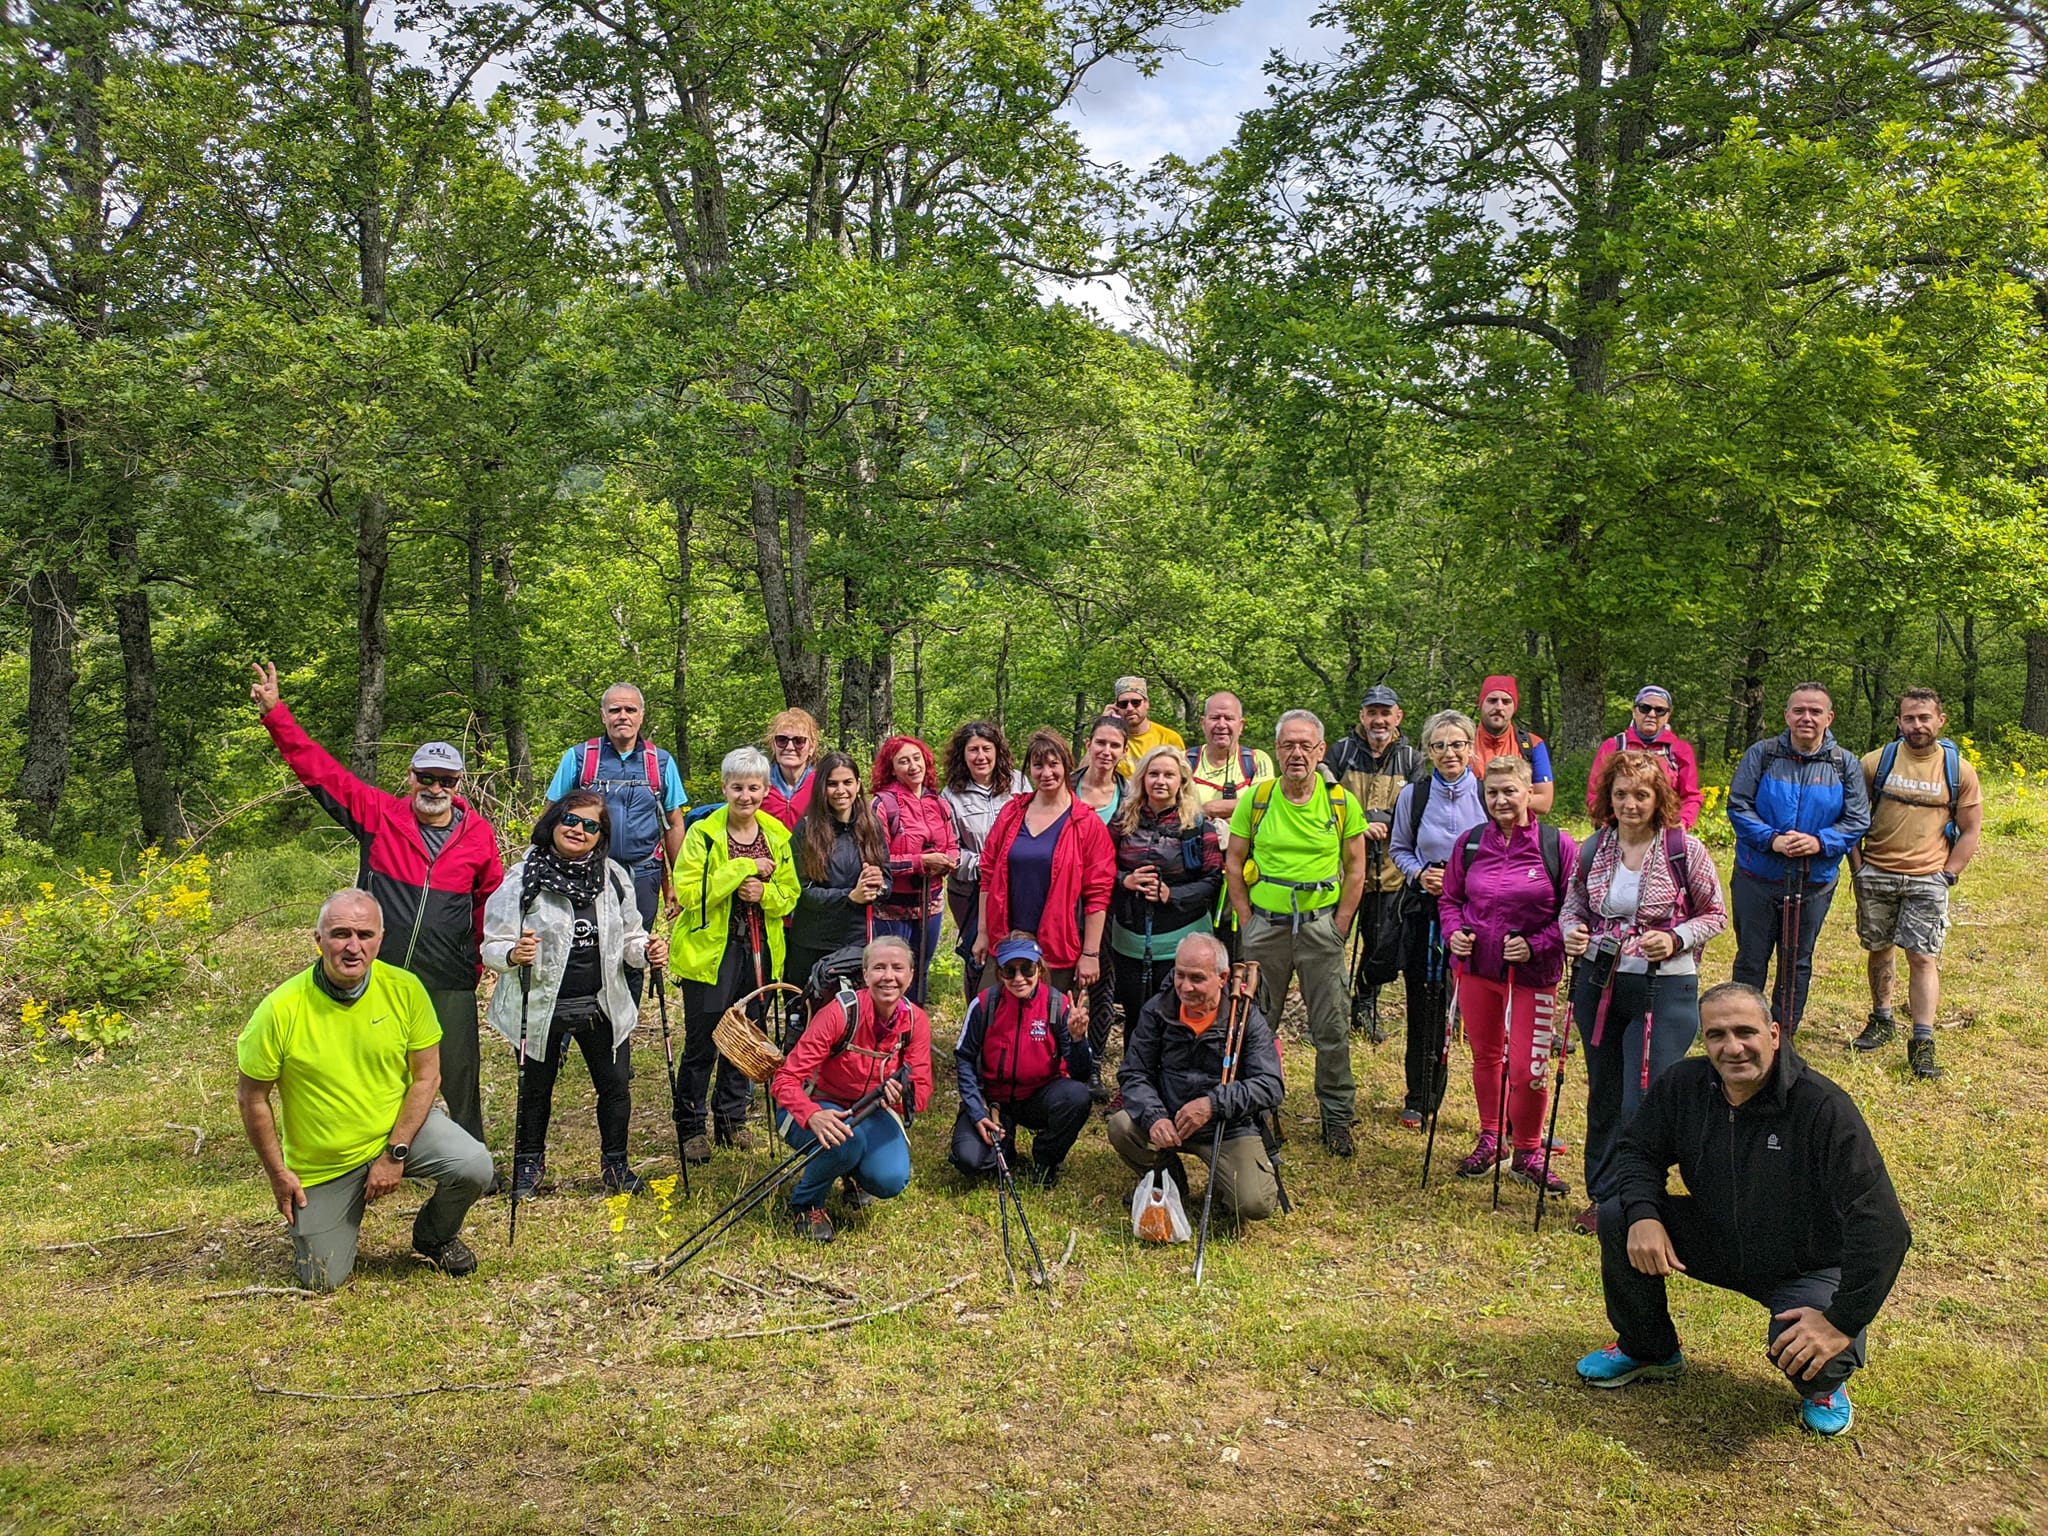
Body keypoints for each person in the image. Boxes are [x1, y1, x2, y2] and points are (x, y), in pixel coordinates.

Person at [1575, 983, 1912, 1438]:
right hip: (1718, 1238)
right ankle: (1650, 1349)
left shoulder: (1822, 1108)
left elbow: (1883, 1227)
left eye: (1745, 1032)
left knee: (1811, 1359)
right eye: (1717, 1035)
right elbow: (1638, 1149)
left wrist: (1840, 1322)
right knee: (1619, 1216)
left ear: (1774, 1034)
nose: (1732, 1048)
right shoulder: (1683, 1085)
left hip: (1805, 1264)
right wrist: (1645, 1215)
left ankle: (1826, 1388)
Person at [250, 662, 503, 1152]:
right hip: (379, 968)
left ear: (459, 784)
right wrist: (276, 714)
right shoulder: (378, 815)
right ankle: (377, 1145)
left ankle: (471, 1152)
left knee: (457, 1066)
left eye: (446, 781)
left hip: (447, 973)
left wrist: (483, 958)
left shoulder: (479, 835)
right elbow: (318, 771)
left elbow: (489, 902)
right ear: (410, 777)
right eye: (426, 778)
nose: (435, 789)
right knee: (375, 1061)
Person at [235, 889, 493, 1289]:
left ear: (380, 939)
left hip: (397, 1130)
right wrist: (277, 1173)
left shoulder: (405, 989)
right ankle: (330, 1216)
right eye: (340, 934)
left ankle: (434, 1235)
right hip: (325, 1160)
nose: (353, 947)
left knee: (475, 1165)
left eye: (364, 934)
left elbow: (427, 1078)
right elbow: (252, 1098)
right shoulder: (279, 1009)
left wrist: (395, 1153)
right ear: (318, 940)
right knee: (322, 1280)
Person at [1560, 751, 1727, 1234]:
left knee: (1645, 1098)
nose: (1630, 804)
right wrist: (1572, 931)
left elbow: (1715, 914)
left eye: (1641, 795)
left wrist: (1675, 938)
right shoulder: (1593, 848)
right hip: (1599, 982)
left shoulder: (1684, 850)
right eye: (1621, 794)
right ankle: (1604, 1197)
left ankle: (1642, 1201)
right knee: (1605, 1095)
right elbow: (1573, 906)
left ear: (1659, 799)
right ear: (1608, 798)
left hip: (1664, 988)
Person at [483, 792, 668, 1198]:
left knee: (615, 1085)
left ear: (601, 835)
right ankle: (529, 1164)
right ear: (553, 820)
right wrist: (513, 953)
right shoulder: (522, 878)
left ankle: (616, 1165)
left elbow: (631, 938)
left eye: (590, 825)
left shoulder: (614, 877)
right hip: (541, 1004)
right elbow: (492, 945)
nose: (578, 830)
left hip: (602, 1000)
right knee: (535, 1087)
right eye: (570, 819)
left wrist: (646, 950)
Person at [1225, 709, 1367, 1155]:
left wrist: (1339, 925)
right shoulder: (1258, 798)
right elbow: (1233, 860)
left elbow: (1356, 868)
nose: (1297, 753)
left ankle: (1337, 1118)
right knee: (1255, 1023)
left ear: (1321, 750)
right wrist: (1246, 918)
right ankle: (1255, 1110)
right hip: (1265, 927)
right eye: (1288, 745)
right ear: (1277, 749)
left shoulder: (1340, 801)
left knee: (1331, 1026)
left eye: (1306, 745)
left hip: (1319, 928)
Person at [1439, 756, 1578, 1192]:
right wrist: (1454, 933)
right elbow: (1450, 900)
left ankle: (1529, 1150)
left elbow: (1574, 913)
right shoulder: (1471, 843)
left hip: (1533, 975)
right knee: (1486, 1057)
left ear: (1528, 793)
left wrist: (1536, 945)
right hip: (1477, 969)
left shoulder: (1557, 846)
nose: (1500, 800)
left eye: (1509, 791)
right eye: (1492, 792)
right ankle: (1491, 1136)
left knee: (1527, 1069)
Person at [672, 747, 801, 1161]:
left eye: (754, 788)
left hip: (760, 950)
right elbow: (690, 893)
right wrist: (742, 869)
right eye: (737, 787)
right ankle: (691, 1126)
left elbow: (790, 896)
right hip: (710, 952)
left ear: (765, 789)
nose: (746, 796)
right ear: (724, 788)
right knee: (704, 1040)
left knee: (744, 1037)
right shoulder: (703, 835)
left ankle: (732, 1120)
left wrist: (766, 893)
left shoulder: (777, 835)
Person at [1849, 688, 1983, 1079]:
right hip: (1877, 873)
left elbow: (1972, 828)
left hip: (1929, 876)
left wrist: (1949, 873)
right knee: (1879, 948)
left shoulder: (1958, 770)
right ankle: (1882, 1019)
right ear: (1899, 722)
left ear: (1941, 720)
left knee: (1922, 957)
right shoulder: (1875, 763)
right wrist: (1858, 866)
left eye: (1925, 717)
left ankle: (1922, 1042)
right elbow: (1852, 817)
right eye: (1909, 718)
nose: (1917, 725)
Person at [1107, 933, 1283, 1224]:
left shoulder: (1245, 1016)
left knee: (1254, 1203)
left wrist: (1213, 1104)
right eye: (1180, 975)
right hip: (1171, 1119)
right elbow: (1134, 1073)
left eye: (1197, 978)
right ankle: (1170, 1179)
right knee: (1121, 1125)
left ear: (1223, 977)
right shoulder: (1157, 1009)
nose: (1185, 987)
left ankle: (1226, 1186)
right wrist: (1155, 1118)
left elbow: (1270, 1085)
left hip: (1227, 1126)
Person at [1728, 683, 1871, 1034]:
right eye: (1799, 711)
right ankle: (1742, 1027)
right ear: (1787, 715)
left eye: (1815, 711)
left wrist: (1819, 842)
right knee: (1750, 958)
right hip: (1756, 878)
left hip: (1813, 883)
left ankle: (1783, 1033)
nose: (1807, 718)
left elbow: (1857, 819)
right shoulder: (1761, 755)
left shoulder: (1844, 764)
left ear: (1829, 717)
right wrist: (1772, 840)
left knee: (1797, 961)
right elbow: (1739, 805)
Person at [770, 936, 934, 1242]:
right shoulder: (840, 1013)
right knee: (846, 1141)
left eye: (898, 968)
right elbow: (784, 1079)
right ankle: (806, 1203)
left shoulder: (915, 1021)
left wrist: (902, 1094)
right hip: (815, 1106)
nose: (889, 976)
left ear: (911, 975)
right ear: (866, 973)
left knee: (891, 1180)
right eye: (879, 968)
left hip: (869, 1110)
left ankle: (850, 1171)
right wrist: (812, 1116)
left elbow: (921, 1092)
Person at [543, 685, 691, 980]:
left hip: (643, 874)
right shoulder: (580, 758)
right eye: (615, 710)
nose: (622, 716)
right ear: (603, 715)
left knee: (635, 954)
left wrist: (680, 882)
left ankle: (626, 1025)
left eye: (630, 710)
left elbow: (674, 823)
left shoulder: (660, 762)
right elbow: (550, 815)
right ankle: (587, 1020)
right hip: (586, 871)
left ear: (641, 715)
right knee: (584, 950)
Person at [1389, 710, 1489, 1130]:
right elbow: (1399, 848)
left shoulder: (1488, 794)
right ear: (1428, 751)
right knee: (1424, 1001)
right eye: (1440, 745)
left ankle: (1496, 1107)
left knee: (1479, 1004)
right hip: (1426, 911)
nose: (1450, 753)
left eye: (1458, 744)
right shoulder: (1415, 795)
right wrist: (1418, 874)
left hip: (1478, 913)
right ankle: (1421, 1095)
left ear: (1470, 747)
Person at [975, 728, 1116, 999]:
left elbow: (1097, 894)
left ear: (1067, 765)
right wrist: (982, 933)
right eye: (1038, 765)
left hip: (1057, 946)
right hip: (1005, 939)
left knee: (1050, 1028)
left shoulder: (1086, 823)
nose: (1046, 773)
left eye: (1054, 764)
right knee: (993, 1019)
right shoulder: (1012, 813)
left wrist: (1090, 953)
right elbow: (988, 874)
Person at [950, 935, 1096, 1186]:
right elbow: (964, 1059)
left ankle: (1045, 1158)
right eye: (1009, 970)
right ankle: (1004, 1147)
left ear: (1039, 969)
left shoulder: (1058, 1005)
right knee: (969, 1161)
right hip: (994, 1101)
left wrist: (1077, 1039)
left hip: (1038, 1098)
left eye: (1026, 969)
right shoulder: (984, 1004)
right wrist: (977, 1111)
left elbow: (1081, 1074)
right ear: (1000, 974)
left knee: (1078, 1096)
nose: (1018, 978)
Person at [1324, 684, 1422, 1040]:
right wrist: (1359, 824)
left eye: (1386, 712)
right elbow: (1324, 799)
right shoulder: (1339, 752)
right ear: (1362, 716)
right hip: (1342, 868)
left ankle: (1364, 1003)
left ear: (1398, 717)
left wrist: (1389, 823)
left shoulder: (1413, 758)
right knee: (1333, 940)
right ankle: (1330, 1006)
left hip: (1391, 871)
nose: (1379, 720)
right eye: (1372, 713)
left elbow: (1419, 807)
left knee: (1382, 946)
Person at [1110, 746, 1224, 1041]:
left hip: (1180, 942)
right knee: (1135, 1015)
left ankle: (1172, 1081)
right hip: (1129, 939)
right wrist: (1126, 880)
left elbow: (1212, 880)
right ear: (1143, 778)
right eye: (1154, 773)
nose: (1161, 781)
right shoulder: (1122, 821)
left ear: (1181, 781)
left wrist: (1169, 893)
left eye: (1169, 775)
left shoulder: (1198, 827)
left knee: (1175, 1015)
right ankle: (1133, 1080)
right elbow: (1099, 869)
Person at [784, 749, 889, 1033]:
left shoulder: (871, 825)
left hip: (856, 942)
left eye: (847, 782)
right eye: (832, 783)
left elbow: (887, 879)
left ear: (858, 785)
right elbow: (803, 892)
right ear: (821, 788)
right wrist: (849, 897)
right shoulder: (806, 829)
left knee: (850, 1023)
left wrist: (878, 884)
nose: (841, 790)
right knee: (806, 1022)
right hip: (812, 943)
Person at [940, 721, 1029, 1007]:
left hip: (1017, 886)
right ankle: (976, 1018)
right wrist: (990, 864)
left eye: (986, 749)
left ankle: (1016, 1013)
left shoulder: (1019, 783)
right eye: (973, 750)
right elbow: (950, 850)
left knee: (1015, 949)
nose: (980, 756)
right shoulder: (951, 794)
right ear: (962, 755)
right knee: (977, 954)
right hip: (970, 890)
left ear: (997, 751)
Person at [869, 734, 959, 1006]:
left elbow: (952, 843)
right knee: (889, 974)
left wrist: (950, 860)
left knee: (919, 970)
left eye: (916, 758)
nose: (912, 766)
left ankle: (912, 1029)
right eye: (903, 761)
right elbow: (878, 861)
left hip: (930, 905)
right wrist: (921, 862)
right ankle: (884, 1032)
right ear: (892, 768)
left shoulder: (938, 802)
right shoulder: (882, 805)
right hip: (891, 909)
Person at [1585, 686, 1704, 828]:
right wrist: (1608, 823)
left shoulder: (1680, 750)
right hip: (1619, 829)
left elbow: (1690, 795)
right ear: (1634, 711)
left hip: (1665, 831)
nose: (1652, 714)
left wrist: (1682, 823)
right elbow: (1595, 792)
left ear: (1668, 715)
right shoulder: (1613, 746)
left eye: (1660, 710)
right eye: (1645, 708)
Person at [1470, 675, 1555, 816]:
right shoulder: (1462, 745)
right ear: (1481, 704)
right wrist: (1515, 796)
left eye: (1506, 701)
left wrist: (1493, 798)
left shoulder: (1532, 744)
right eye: (1492, 701)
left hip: (1518, 831)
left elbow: (1544, 802)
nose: (1499, 707)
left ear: (1514, 707)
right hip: (1472, 831)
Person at [1187, 691, 1274, 825]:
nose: (1221, 725)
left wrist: (1208, 809)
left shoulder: (1257, 760)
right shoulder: (1184, 760)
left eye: (1229, 718)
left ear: (1241, 725)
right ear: (1203, 723)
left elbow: (1261, 803)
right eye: (1215, 718)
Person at [1109, 674, 1184, 777]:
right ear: (1116, 708)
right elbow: (1085, 774)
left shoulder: (1169, 738)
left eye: (1136, 702)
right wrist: (1103, 723)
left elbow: (1183, 778)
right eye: (1123, 704)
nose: (1130, 708)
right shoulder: (1111, 739)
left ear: (1146, 703)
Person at [760, 707, 822, 831]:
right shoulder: (758, 783)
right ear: (773, 745)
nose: (789, 747)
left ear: (811, 748)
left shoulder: (822, 784)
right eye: (782, 740)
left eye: (799, 741)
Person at [1073, 714, 1129, 825]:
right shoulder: (1065, 787)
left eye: (1115, 745)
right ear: (1088, 745)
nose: (1106, 752)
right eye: (1100, 743)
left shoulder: (1132, 796)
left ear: (1124, 751)